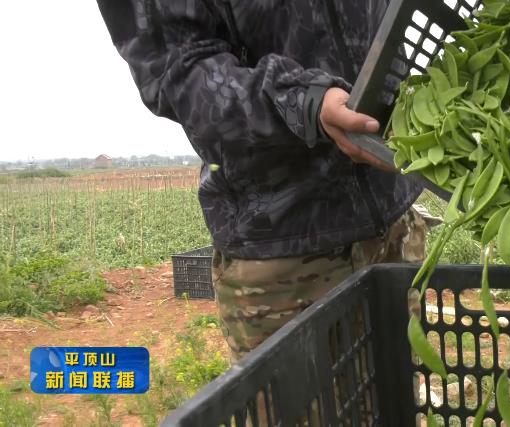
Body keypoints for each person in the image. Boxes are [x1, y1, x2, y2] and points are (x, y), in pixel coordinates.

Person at [96, 0, 441, 362]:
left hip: (394, 220)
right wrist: (303, 101)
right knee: (302, 396)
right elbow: (176, 71)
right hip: (281, 249)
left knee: (397, 388)